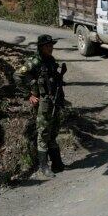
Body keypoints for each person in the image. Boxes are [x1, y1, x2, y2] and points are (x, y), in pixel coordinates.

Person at [19, 35, 69, 178]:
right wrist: (28, 95)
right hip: (43, 103)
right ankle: (43, 166)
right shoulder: (34, 62)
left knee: (53, 131)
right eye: (47, 46)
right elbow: (18, 75)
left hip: (54, 100)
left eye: (51, 45)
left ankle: (57, 163)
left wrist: (60, 76)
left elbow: (54, 79)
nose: (50, 48)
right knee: (43, 133)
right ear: (41, 47)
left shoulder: (51, 61)